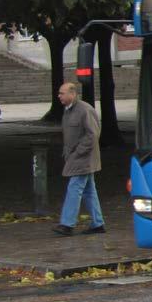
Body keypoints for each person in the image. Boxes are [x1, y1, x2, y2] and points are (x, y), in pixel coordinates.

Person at [53, 82, 105, 236]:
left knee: (74, 188)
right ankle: (98, 223)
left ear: (72, 94)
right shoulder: (68, 111)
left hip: (83, 158)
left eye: (62, 93)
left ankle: (67, 224)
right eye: (59, 93)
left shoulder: (85, 110)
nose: (59, 96)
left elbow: (92, 134)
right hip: (77, 157)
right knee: (89, 191)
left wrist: (78, 152)